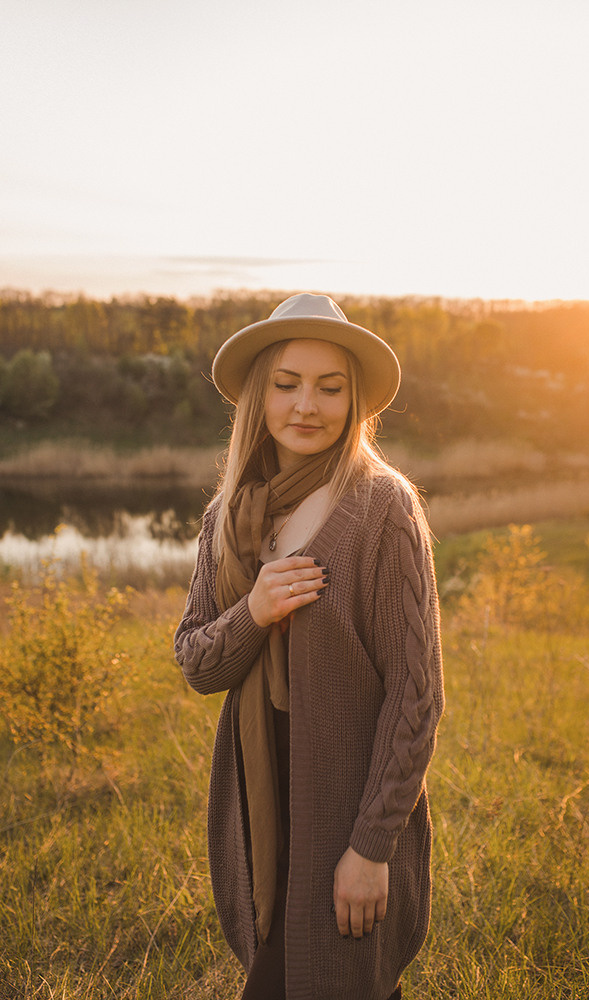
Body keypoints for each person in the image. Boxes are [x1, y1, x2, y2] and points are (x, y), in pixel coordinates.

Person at [174, 293, 444, 1000]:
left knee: (341, 977)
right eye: (287, 384)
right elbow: (198, 664)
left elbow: (414, 698)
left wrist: (370, 846)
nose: (307, 405)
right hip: (261, 801)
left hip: (346, 794)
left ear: (354, 402)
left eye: (330, 388)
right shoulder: (228, 517)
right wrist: (254, 611)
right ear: (259, 395)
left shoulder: (381, 506)